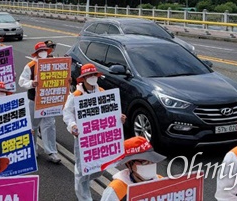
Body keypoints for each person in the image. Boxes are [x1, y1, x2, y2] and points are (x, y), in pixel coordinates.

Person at [63, 63, 126, 201]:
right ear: (83, 78)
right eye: (89, 76)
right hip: (83, 140)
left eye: (94, 75)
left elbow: (111, 111)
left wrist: (119, 118)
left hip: (101, 140)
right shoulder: (76, 95)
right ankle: (84, 197)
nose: (92, 78)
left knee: (100, 168)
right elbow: (67, 114)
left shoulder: (103, 92)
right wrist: (73, 126)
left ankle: (84, 177)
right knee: (82, 172)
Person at [18, 42, 61, 164]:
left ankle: (51, 152)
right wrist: (32, 83)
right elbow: (22, 81)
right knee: (32, 126)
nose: (43, 53)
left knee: (49, 125)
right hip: (34, 99)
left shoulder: (54, 64)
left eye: (45, 50)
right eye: (41, 51)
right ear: (36, 53)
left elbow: (60, 77)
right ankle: (33, 149)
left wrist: (66, 81)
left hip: (48, 100)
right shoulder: (30, 65)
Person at [100, 136, 166, 201]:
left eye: (152, 160)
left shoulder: (162, 182)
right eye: (144, 162)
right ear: (129, 164)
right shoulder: (116, 190)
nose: (150, 164)